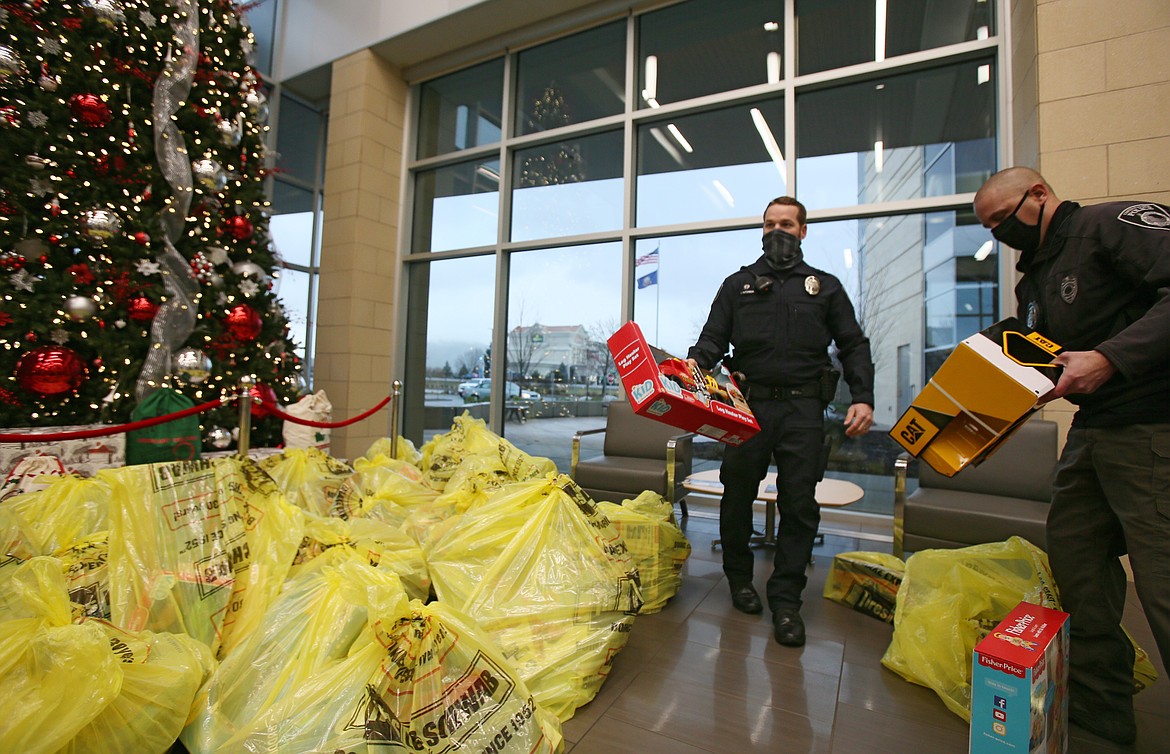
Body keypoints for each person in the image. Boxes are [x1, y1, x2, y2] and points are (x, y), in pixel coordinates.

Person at [973, 167, 1170, 746]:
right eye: (990, 229)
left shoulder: (1109, 226)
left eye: (1003, 220)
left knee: (1162, 581)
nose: (1001, 233)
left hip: (1155, 426)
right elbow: (1038, 357)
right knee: (1077, 561)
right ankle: (1103, 707)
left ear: (1039, 195)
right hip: (1095, 431)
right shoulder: (1033, 282)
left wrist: (1110, 356)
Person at [686, 196, 874, 647]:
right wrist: (690, 372)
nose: (778, 232)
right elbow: (712, 338)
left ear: (803, 231)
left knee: (799, 504)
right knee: (736, 496)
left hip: (803, 410)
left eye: (786, 224)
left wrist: (863, 397)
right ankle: (739, 581)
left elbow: (852, 344)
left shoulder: (824, 287)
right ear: (762, 231)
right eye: (770, 224)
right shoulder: (738, 285)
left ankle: (787, 601)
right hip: (746, 407)